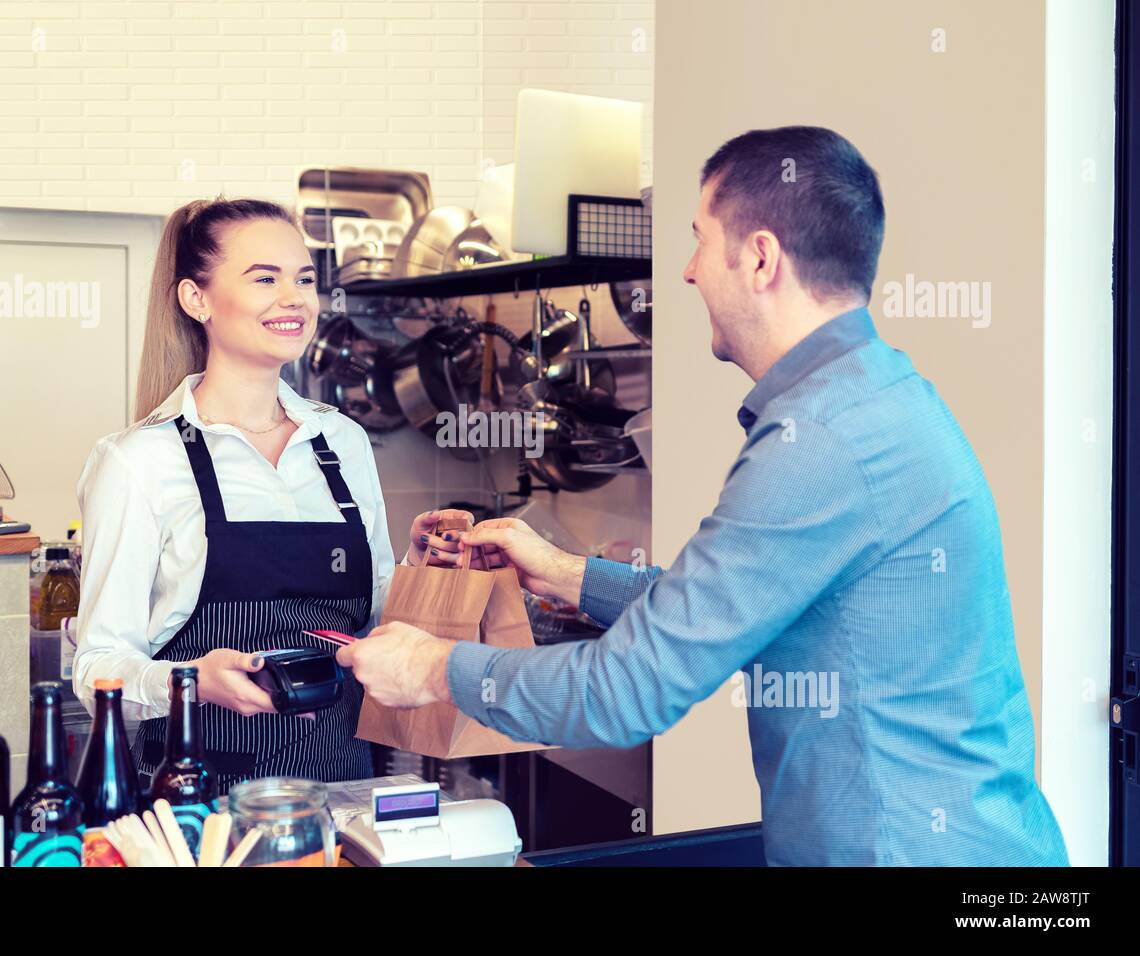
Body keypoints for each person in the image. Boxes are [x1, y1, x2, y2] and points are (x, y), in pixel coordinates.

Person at [339, 127, 1071, 866]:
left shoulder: (822, 440)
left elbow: (629, 689)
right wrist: (562, 572)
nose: (686, 272)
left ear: (759, 258)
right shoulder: (870, 395)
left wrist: (433, 667)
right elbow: (727, 604)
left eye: (698, 240)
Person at [73, 197, 464, 793]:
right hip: (197, 806)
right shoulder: (138, 461)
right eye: (265, 279)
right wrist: (191, 681)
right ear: (195, 299)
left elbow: (376, 616)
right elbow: (97, 666)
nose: (295, 298)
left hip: (342, 791)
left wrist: (419, 566)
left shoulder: (342, 441)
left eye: (304, 279)